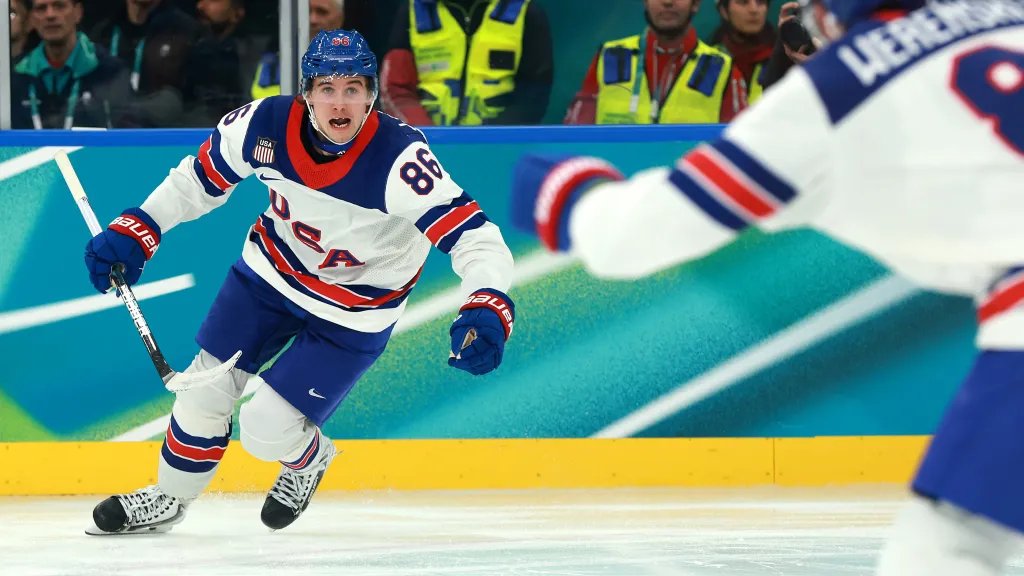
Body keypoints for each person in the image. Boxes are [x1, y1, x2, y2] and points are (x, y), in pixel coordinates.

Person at [511, 0, 1024, 574]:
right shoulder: (1005, 16)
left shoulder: (828, 94)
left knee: (948, 549)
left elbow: (644, 232)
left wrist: (567, 196)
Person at [81, 28, 515, 535]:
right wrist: (141, 227)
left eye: (353, 88)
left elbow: (476, 238)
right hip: (267, 276)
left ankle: (308, 460)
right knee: (202, 393)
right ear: (306, 92)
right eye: (326, 87)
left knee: (266, 430)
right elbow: (196, 181)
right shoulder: (262, 125)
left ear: (372, 95)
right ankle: (169, 499)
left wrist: (487, 303)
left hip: (355, 311)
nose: (340, 102)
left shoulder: (400, 161)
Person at [564, 0, 746, 125]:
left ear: (696, 4)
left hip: (682, 180)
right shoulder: (610, 57)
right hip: (619, 178)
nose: (668, 2)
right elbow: (576, 136)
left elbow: (736, 146)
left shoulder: (722, 68)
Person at [380, 0, 553, 126]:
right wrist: (425, 136)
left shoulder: (527, 13)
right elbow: (395, 90)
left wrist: (491, 139)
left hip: (498, 147)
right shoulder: (412, 11)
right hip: (426, 147)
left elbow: (535, 94)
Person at [11, 0, 131, 129]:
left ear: (78, 13)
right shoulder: (16, 76)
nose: (50, 15)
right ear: (33, 19)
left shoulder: (110, 72)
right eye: (41, 8)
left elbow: (131, 137)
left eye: (59, 6)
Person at [90, 0, 202, 126]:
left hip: (166, 138)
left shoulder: (188, 33)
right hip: (109, 138)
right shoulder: (101, 34)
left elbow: (199, 104)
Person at [708, 0, 776, 104]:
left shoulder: (785, 60)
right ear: (724, 11)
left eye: (760, 2)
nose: (754, 10)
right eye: (743, 2)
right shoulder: (707, 63)